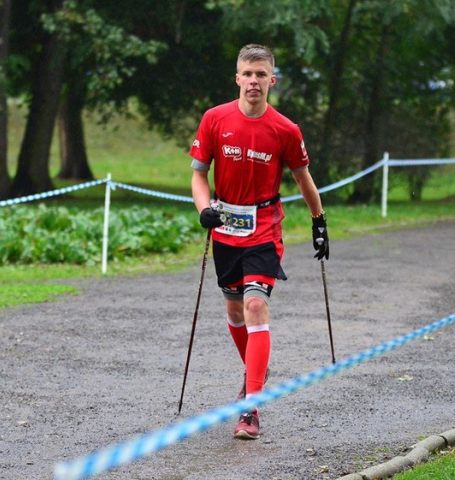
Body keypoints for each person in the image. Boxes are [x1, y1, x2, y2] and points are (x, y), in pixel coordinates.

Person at [189, 44, 329, 440]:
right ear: (237, 78)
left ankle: (250, 405)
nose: (254, 81)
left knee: (255, 306)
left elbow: (304, 180)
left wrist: (319, 222)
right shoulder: (215, 119)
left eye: (261, 74)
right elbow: (199, 174)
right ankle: (256, 371)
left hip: (265, 228)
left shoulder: (286, 129)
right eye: (247, 74)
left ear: (272, 80)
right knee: (235, 314)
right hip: (225, 229)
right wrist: (204, 209)